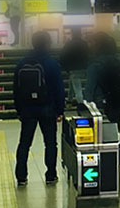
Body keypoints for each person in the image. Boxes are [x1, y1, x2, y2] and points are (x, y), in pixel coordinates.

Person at [13, 31, 65, 186]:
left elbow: (16, 89)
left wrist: (19, 110)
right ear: (48, 44)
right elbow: (59, 89)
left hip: (27, 108)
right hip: (47, 108)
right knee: (50, 143)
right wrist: (60, 110)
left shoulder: (22, 63)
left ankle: (21, 176)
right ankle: (51, 175)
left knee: (24, 143)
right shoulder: (51, 63)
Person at [84, 32, 120, 129]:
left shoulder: (95, 65)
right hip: (118, 98)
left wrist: (87, 103)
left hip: (101, 100)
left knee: (101, 129)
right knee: (115, 125)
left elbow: (90, 87)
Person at [60, 29, 89, 106]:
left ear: (72, 34)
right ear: (80, 34)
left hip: (72, 69)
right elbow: (88, 55)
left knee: (77, 88)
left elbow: (62, 57)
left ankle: (80, 102)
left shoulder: (69, 44)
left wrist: (66, 68)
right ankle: (69, 99)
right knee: (72, 84)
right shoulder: (84, 44)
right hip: (83, 68)